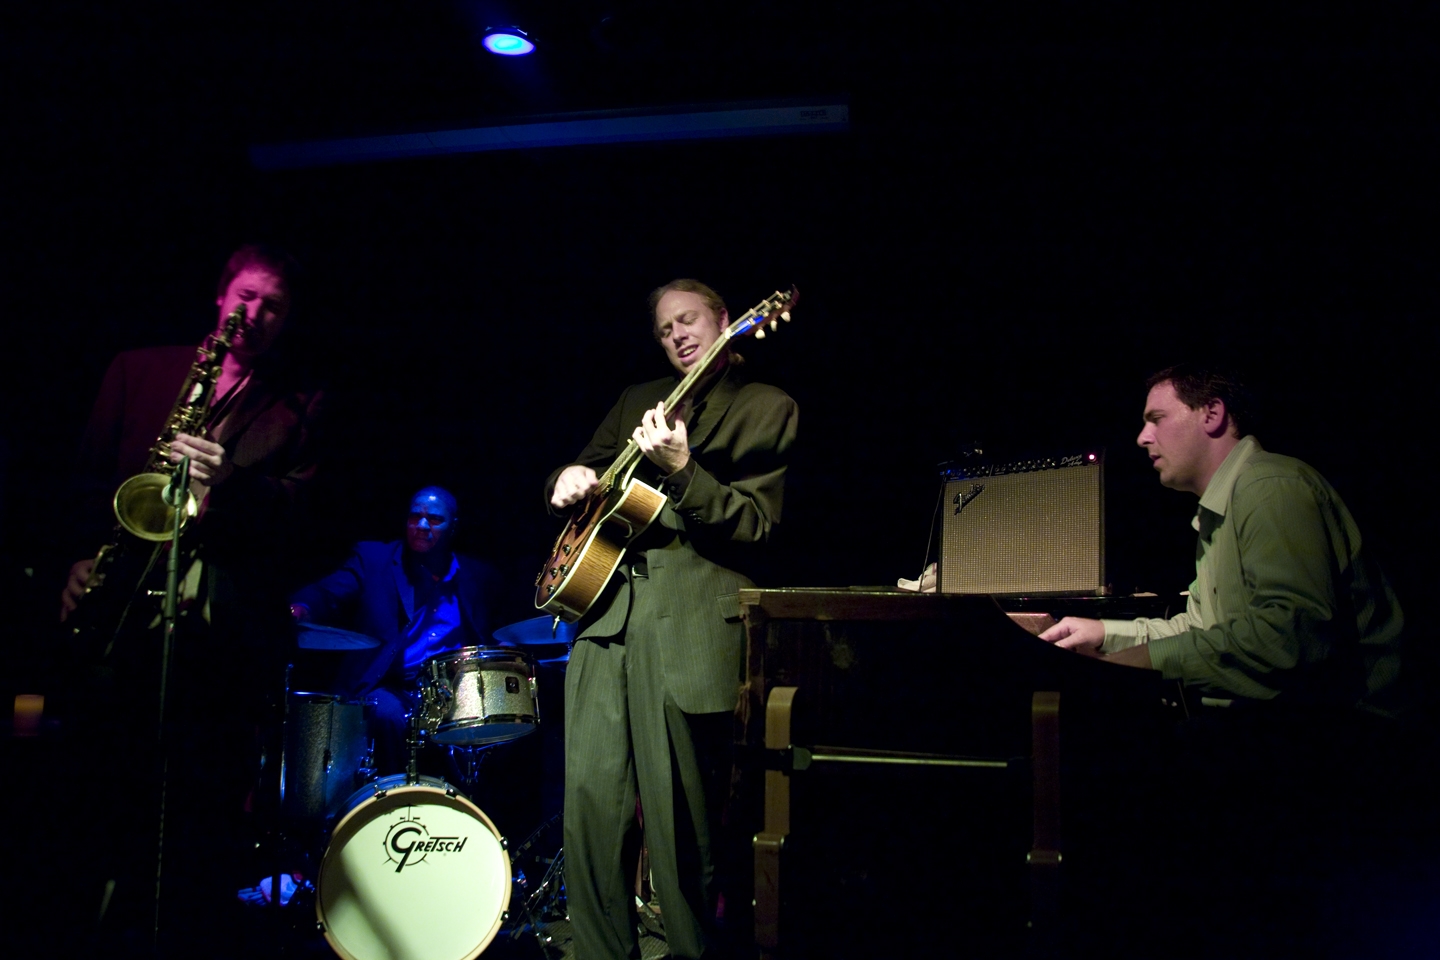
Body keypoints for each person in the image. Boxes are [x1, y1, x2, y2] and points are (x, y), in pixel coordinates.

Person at [59, 243, 324, 956]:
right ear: (221, 297)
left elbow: (306, 521)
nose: (254, 314)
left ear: (286, 320)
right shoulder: (137, 370)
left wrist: (228, 482)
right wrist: (76, 560)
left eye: (272, 305)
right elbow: (86, 480)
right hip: (120, 615)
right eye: (246, 297)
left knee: (196, 810)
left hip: (218, 634)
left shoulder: (300, 404)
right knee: (98, 792)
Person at [546, 279, 798, 960]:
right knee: (591, 810)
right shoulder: (639, 398)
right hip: (604, 618)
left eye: (687, 321)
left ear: (726, 321)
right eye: (664, 329)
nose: (677, 335)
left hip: (687, 628)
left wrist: (684, 469)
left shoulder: (765, 406)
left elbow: (757, 525)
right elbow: (585, 471)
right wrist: (566, 478)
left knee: (682, 824)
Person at [1038, 363, 1403, 713]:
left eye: (1157, 419)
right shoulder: (1221, 507)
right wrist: (1104, 633)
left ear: (1211, 414)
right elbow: (1201, 628)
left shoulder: (1269, 487)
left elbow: (1288, 639)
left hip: (1345, 730)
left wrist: (1140, 660)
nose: (1142, 437)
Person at [289, 485, 504, 773]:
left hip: (453, 690)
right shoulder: (374, 560)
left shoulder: (478, 575)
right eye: (415, 517)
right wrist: (302, 607)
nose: (422, 526)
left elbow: (498, 631)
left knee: (495, 723)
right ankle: (397, 794)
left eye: (435, 519)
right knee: (386, 713)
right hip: (392, 686)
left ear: (453, 526)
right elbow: (328, 592)